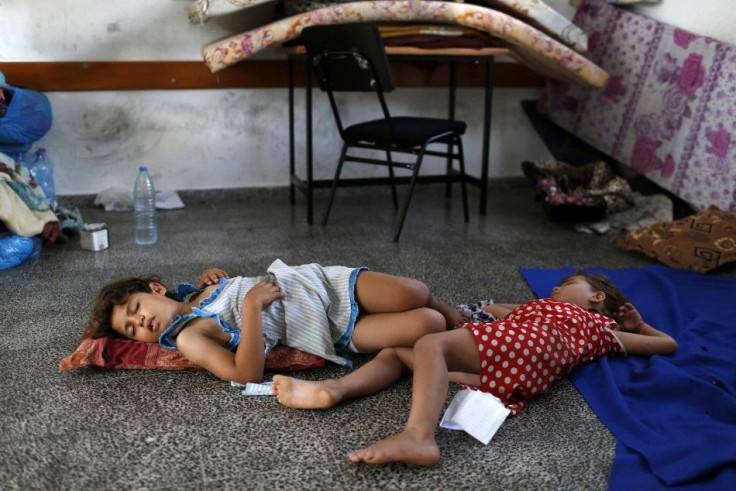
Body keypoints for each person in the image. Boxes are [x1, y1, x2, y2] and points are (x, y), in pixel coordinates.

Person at [271, 271, 678, 467]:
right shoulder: (543, 313)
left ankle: (419, 436)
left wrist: (637, 326)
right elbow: (498, 311)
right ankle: (334, 390)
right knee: (398, 351)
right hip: (516, 376)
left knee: (432, 344)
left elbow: (666, 345)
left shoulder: (597, 326)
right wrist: (491, 312)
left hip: (530, 350)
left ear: (596, 297)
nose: (554, 289)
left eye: (566, 284)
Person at [85, 259, 462, 385]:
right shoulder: (189, 338)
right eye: (131, 329)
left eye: (136, 308)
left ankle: (463, 320)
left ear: (156, 288)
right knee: (426, 322)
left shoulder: (195, 294)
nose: (141, 322)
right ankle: (455, 327)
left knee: (415, 292)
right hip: (324, 329)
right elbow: (244, 374)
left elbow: (226, 292)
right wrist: (250, 307)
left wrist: (217, 277)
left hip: (317, 283)